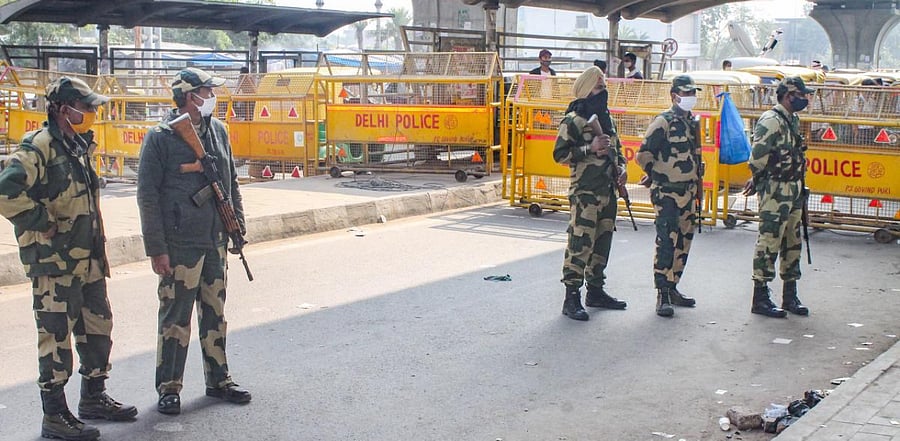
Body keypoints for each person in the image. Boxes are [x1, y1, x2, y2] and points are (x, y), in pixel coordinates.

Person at [0, 77, 137, 440]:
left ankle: (93, 397)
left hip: (87, 259)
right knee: (55, 338)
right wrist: (41, 221)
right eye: (86, 107)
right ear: (64, 108)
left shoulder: (77, 145)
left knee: (98, 329)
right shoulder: (38, 147)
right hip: (54, 264)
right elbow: (5, 191)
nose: (92, 113)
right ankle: (55, 416)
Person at [137, 67, 251, 415]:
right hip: (180, 245)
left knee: (214, 313)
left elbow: (229, 181)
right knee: (176, 318)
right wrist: (157, 249)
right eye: (206, 91)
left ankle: (219, 380)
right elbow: (147, 196)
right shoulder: (161, 137)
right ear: (190, 96)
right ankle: (169, 388)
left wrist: (237, 228)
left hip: (214, 239)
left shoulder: (218, 130)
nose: (211, 97)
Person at [553, 66, 629, 321]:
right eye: (598, 87)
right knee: (580, 243)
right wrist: (589, 148)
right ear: (586, 89)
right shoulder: (574, 119)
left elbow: (617, 149)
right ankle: (571, 296)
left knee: (601, 245)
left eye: (605, 87)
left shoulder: (606, 119)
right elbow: (560, 155)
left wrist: (623, 170)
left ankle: (595, 291)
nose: (603, 91)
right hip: (585, 192)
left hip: (607, 191)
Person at [742, 77, 815, 318]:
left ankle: (789, 295)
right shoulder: (771, 121)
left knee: (792, 242)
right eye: (801, 95)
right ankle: (760, 297)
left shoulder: (792, 119)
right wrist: (760, 181)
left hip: (793, 189)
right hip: (775, 190)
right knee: (770, 241)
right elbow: (757, 159)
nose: (805, 99)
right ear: (788, 95)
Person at [636, 75, 703, 317]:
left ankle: (673, 285)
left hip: (688, 191)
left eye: (693, 93)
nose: (690, 98)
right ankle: (662, 293)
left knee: (684, 241)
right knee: (667, 241)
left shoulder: (691, 123)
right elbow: (643, 155)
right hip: (667, 194)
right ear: (674, 95)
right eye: (686, 94)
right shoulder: (663, 122)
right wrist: (656, 174)